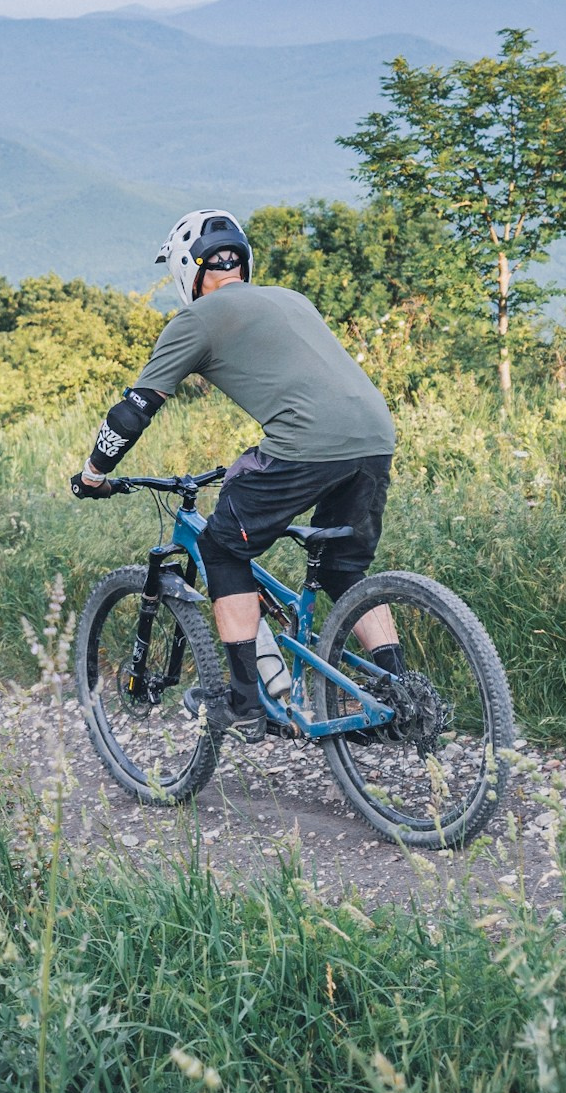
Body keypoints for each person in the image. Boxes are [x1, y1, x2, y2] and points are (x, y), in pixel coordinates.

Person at [69, 210, 403, 743]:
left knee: (223, 550)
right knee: (344, 573)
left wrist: (93, 473)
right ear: (241, 260)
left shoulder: (197, 319)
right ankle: (399, 690)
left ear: (186, 269)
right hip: (376, 439)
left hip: (304, 444)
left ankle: (245, 701)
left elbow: (133, 411)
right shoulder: (291, 298)